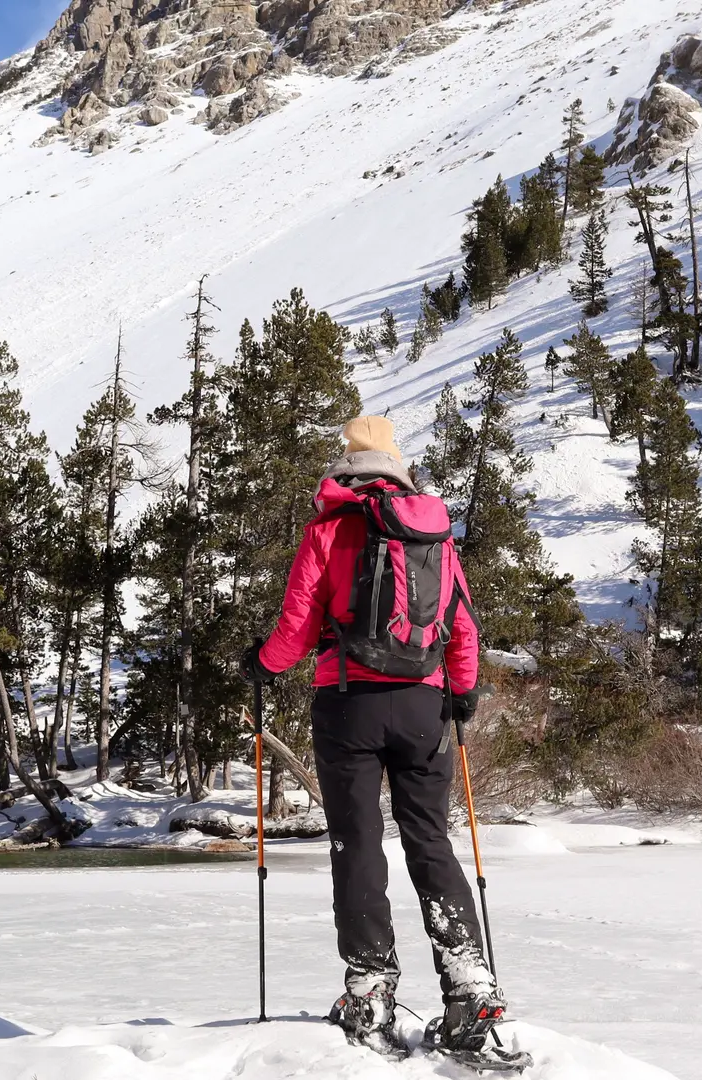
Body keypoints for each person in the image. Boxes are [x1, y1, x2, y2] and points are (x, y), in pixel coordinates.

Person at [240, 415, 516, 1064]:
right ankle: (469, 987)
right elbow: (463, 624)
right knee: (429, 841)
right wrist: (462, 691)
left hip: (349, 708)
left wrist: (262, 664)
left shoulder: (329, 528)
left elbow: (298, 626)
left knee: (357, 844)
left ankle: (370, 994)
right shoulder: (432, 530)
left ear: (348, 464)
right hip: (424, 706)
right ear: (394, 464)